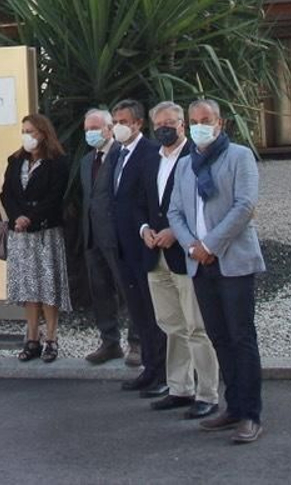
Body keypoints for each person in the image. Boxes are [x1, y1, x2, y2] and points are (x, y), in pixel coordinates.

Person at [167, 99, 266, 445]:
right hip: (198, 263)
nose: (198, 126)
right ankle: (233, 406)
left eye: (205, 120)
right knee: (219, 337)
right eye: (193, 121)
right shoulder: (184, 165)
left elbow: (245, 206)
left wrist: (210, 245)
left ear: (220, 123)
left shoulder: (239, 156)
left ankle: (251, 414)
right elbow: (175, 212)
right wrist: (192, 246)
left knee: (241, 337)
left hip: (232, 260)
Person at [139, 102, 220, 420]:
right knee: (172, 325)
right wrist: (144, 228)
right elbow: (140, 202)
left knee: (196, 327)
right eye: (158, 124)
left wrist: (177, 232)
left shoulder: (195, 157)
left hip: (185, 253)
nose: (164, 128)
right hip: (154, 254)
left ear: (183, 124)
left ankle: (208, 393)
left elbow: (204, 206)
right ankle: (180, 388)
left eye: (170, 123)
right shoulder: (150, 160)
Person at [0, 113, 73, 362]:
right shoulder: (16, 160)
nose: (27, 136)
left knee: (48, 287)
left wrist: (30, 217)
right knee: (29, 288)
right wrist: (17, 216)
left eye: (31, 131)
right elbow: (6, 193)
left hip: (45, 232)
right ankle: (32, 338)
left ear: (43, 133)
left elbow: (55, 197)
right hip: (20, 235)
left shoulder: (58, 162)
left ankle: (51, 339)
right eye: (24, 131)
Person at [108, 98, 166, 396]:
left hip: (144, 245)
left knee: (155, 312)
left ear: (138, 124)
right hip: (123, 246)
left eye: (124, 121)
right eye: (115, 121)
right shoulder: (118, 153)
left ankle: (163, 373)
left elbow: (151, 199)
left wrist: (147, 230)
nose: (118, 126)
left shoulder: (150, 152)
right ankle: (150, 368)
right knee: (138, 312)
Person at [79, 107, 133, 366]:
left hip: (117, 236)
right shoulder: (86, 161)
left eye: (96, 128)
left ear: (110, 128)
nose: (91, 133)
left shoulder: (122, 156)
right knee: (100, 291)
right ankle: (109, 343)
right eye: (87, 128)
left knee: (128, 290)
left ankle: (138, 343)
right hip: (93, 236)